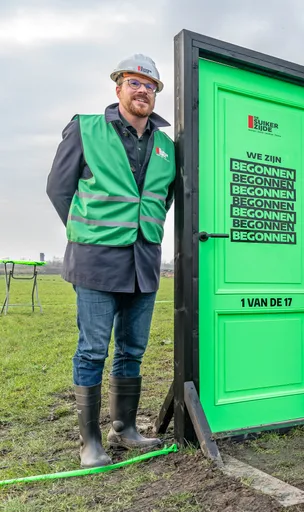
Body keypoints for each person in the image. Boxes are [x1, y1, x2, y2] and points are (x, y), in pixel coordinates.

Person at [46, 54, 174, 467]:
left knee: (132, 350)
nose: (143, 91)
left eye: (150, 86)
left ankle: (126, 429)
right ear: (117, 87)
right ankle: (89, 443)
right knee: (93, 351)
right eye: (134, 83)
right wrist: (90, 233)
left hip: (144, 261)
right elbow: (59, 189)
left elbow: (163, 198)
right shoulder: (86, 128)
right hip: (96, 262)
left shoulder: (167, 146)